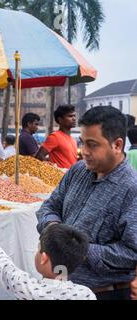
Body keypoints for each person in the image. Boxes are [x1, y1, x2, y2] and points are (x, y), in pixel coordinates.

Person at [36, 106, 137, 300]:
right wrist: (52, 228)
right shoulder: (77, 171)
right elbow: (50, 206)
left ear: (117, 145)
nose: (84, 151)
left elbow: (132, 252)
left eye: (92, 145)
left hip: (103, 293)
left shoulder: (131, 189)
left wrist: (78, 250)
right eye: (82, 143)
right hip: (61, 287)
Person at [0, 217, 95, 300]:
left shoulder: (30, 289)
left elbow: (0, 261)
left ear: (43, 258)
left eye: (38, 248)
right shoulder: (86, 294)